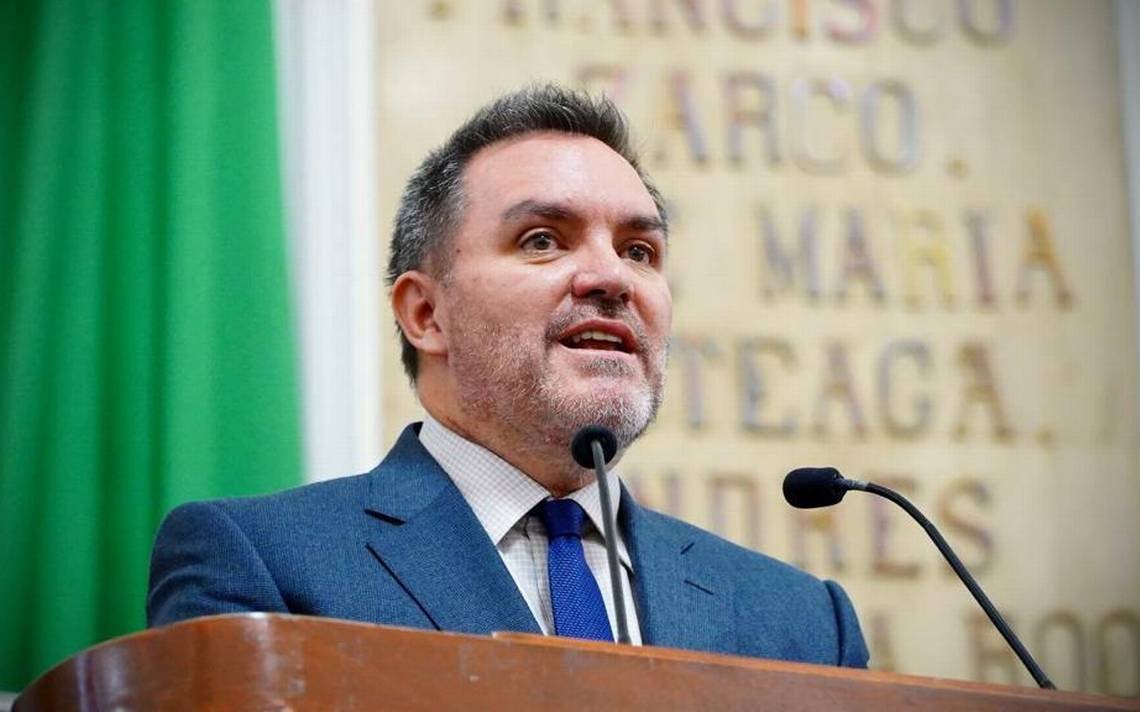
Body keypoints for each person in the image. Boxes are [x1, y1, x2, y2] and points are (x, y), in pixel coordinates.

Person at [147, 84, 869, 667]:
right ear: (426, 313)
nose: (612, 277)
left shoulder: (802, 622)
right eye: (543, 239)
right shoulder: (262, 565)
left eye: (639, 250)